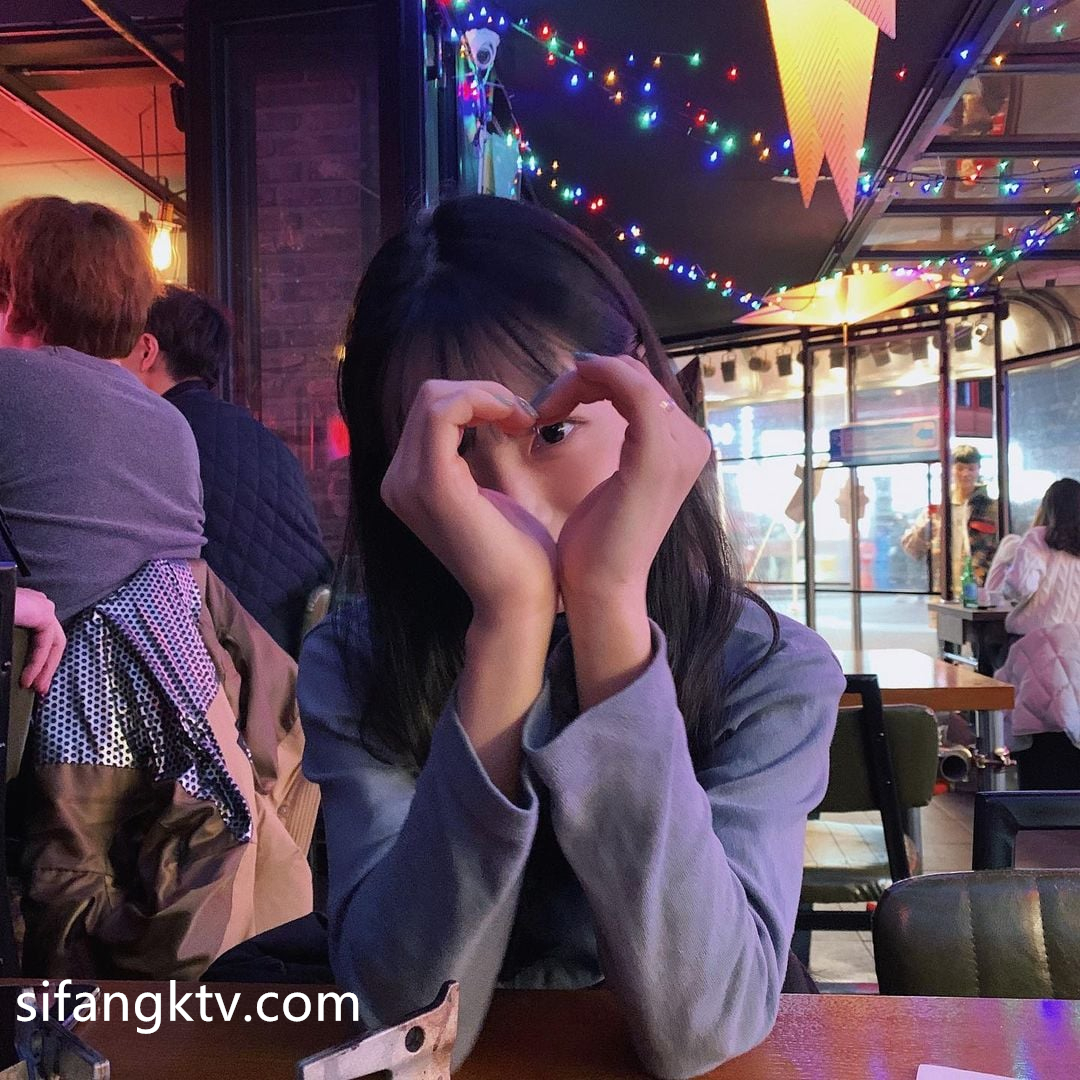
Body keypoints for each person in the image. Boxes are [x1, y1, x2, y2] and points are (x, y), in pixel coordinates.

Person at [298, 196, 844, 1077]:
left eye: (552, 432)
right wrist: (510, 624)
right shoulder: (354, 660)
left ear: (649, 404)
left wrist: (607, 603)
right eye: (457, 455)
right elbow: (403, 1026)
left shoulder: (770, 669)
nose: (514, 507)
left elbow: (703, 1027)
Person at [0, 196, 315, 978]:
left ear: (14, 294)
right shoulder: (166, 424)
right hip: (190, 726)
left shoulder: (8, 387)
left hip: (54, 734)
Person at [121, 286, 332, 655]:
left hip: (234, 663)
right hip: (299, 654)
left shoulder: (152, 438)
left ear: (146, 350)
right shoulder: (265, 440)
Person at [993, 479, 1080, 789]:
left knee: (1034, 729)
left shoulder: (1038, 539)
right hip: (1077, 654)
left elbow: (1020, 587)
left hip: (1036, 651)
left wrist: (1007, 578)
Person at [900, 444, 999, 594]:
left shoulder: (992, 509)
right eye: (960, 468)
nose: (965, 474)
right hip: (942, 591)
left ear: (978, 469)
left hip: (979, 592)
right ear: (950, 470)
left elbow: (1003, 551)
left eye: (971, 468)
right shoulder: (936, 509)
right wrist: (926, 527)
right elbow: (912, 549)